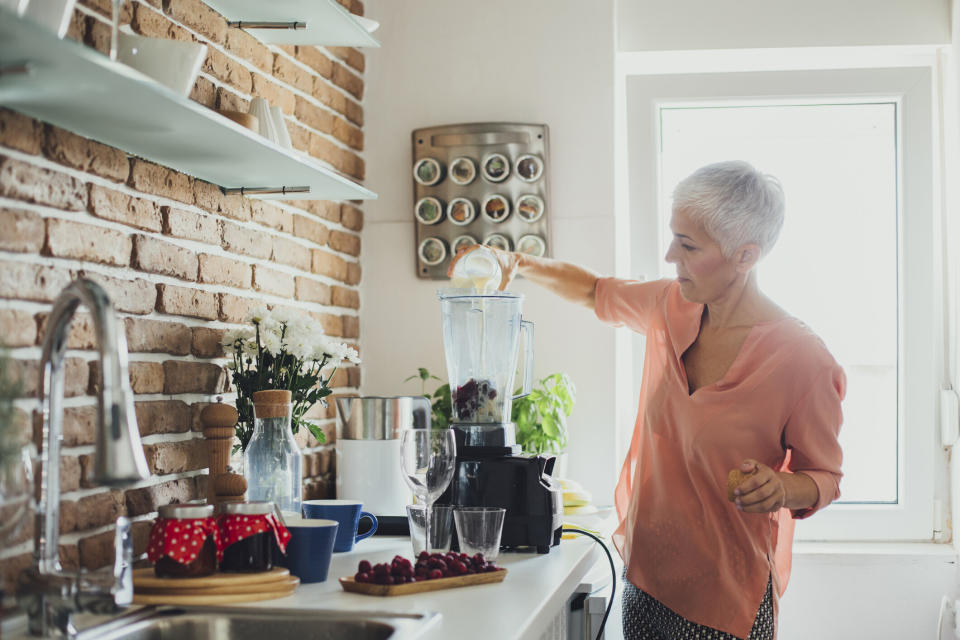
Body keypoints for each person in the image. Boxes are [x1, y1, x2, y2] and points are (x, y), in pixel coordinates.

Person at [447, 160, 844, 640]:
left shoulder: (803, 360)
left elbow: (824, 477)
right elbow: (593, 290)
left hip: (724, 601)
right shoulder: (669, 304)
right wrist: (520, 263)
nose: (669, 255)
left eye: (688, 245)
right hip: (646, 579)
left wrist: (782, 489)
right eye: (674, 237)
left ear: (745, 256)